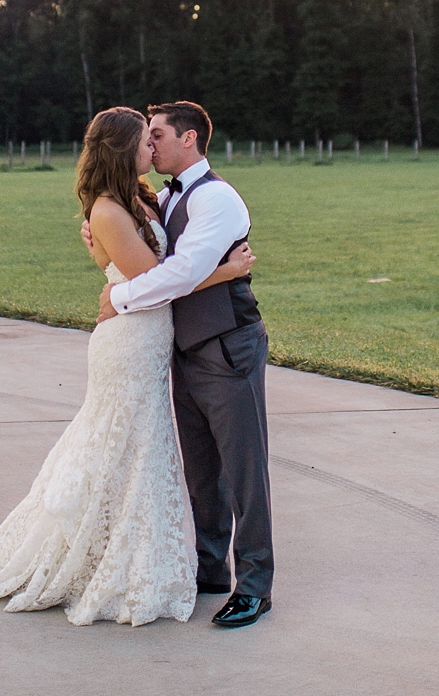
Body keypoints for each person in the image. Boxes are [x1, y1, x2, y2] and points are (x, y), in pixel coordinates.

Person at [0, 106, 253, 627]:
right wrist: (226, 271)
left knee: (132, 447)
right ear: (126, 149)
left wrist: (119, 277)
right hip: (130, 342)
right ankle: (97, 556)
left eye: (158, 137)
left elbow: (152, 270)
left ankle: (136, 555)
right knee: (121, 444)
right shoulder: (111, 208)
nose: (153, 148)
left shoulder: (148, 198)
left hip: (149, 339)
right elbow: (162, 279)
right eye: (147, 140)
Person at [94, 101, 274, 629]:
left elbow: (180, 273)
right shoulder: (162, 197)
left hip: (226, 345)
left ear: (189, 138)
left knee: (244, 471)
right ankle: (211, 568)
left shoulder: (215, 197)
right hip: (184, 348)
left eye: (157, 135)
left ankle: (256, 587)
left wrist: (119, 297)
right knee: (202, 470)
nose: (149, 145)